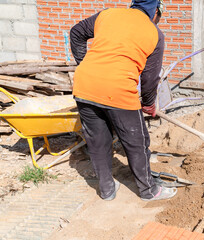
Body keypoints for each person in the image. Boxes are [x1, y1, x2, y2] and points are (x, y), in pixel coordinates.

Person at [70, 0, 177, 201]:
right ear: (155, 11)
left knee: (98, 141)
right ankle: (148, 190)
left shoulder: (107, 15)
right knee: (137, 141)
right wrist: (148, 104)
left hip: (84, 85)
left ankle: (107, 190)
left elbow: (76, 32)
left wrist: (84, 65)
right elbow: (149, 77)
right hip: (118, 89)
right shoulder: (155, 33)